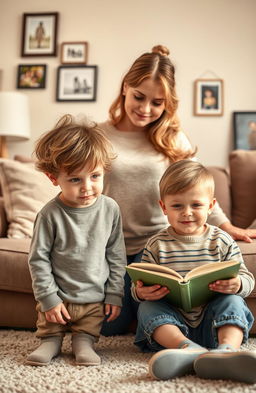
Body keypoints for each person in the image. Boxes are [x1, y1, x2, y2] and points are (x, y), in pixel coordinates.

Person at [99, 44, 256, 337]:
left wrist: (226, 225)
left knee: (161, 305)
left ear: (168, 104)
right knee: (109, 326)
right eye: (139, 97)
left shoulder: (172, 138)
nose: (146, 109)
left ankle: (180, 335)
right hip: (114, 250)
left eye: (157, 102)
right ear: (125, 87)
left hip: (164, 249)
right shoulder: (99, 135)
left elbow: (197, 187)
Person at [132, 160, 255, 383]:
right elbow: (139, 285)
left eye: (196, 205)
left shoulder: (222, 241)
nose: (187, 213)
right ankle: (188, 350)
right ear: (163, 207)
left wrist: (237, 284)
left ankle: (226, 352)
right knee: (147, 308)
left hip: (214, 320)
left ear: (211, 206)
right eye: (177, 206)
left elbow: (247, 278)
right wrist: (142, 292)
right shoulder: (156, 244)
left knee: (234, 302)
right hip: (174, 324)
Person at [26, 114, 126, 366]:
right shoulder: (49, 214)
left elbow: (115, 254)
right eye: (74, 179)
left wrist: (114, 293)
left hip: (94, 297)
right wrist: (49, 299)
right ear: (53, 178)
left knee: (87, 333)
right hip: (58, 295)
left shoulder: (110, 209)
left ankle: (84, 342)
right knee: (50, 329)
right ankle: (50, 342)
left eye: (95, 176)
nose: (87, 187)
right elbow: (38, 259)